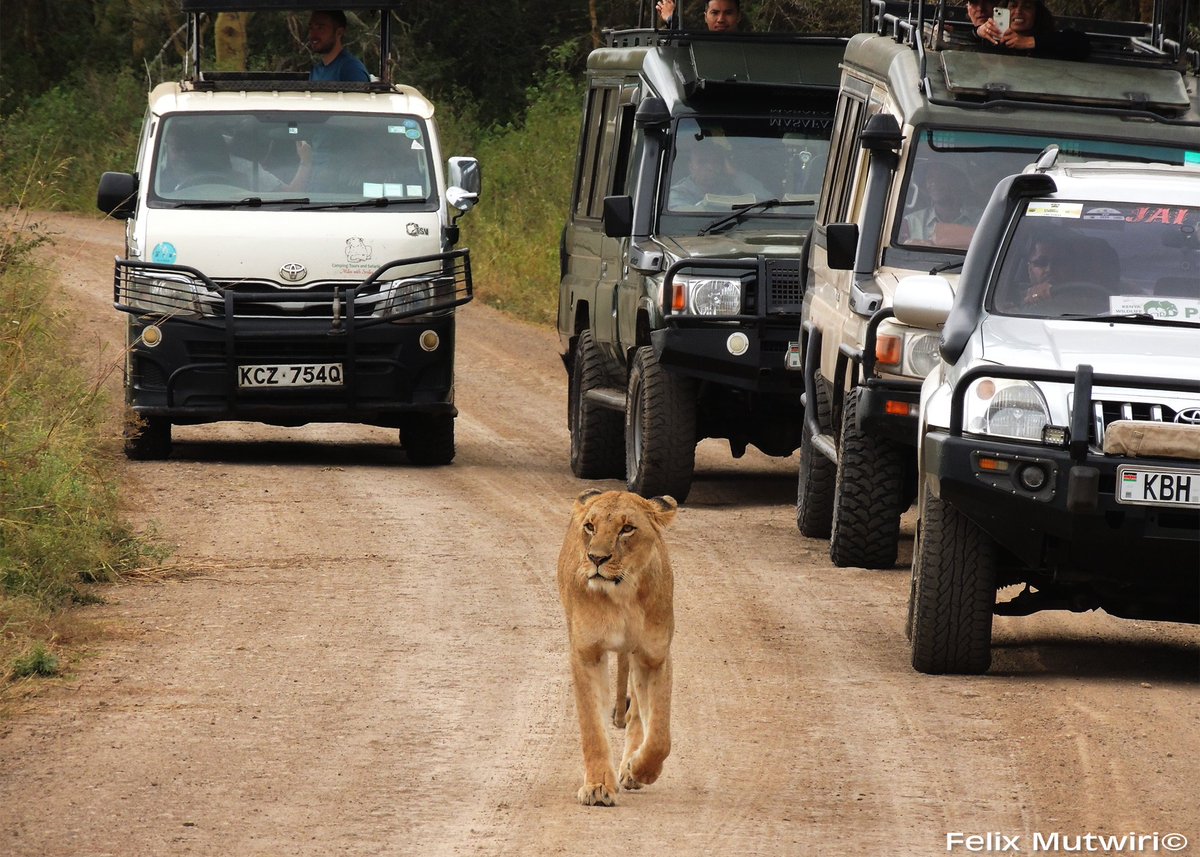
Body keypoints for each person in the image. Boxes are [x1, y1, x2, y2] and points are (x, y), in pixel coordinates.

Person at [974, 0, 1090, 61]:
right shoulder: (992, 37)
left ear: (1037, 14)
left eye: (1027, 6)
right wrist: (979, 31)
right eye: (1013, 5)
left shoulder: (1048, 40)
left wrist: (1029, 42)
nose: (1018, 11)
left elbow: (1081, 43)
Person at [669, 140, 769, 208]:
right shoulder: (677, 194)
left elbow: (768, 204)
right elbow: (682, 222)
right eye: (702, 162)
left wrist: (735, 174)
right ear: (691, 167)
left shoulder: (733, 189)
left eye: (716, 162)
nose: (710, 168)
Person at [899, 165, 979, 248]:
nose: (933, 182)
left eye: (942, 177)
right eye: (930, 177)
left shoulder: (981, 220)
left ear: (958, 182)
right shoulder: (910, 222)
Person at [308, 10, 370, 82]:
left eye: (320, 28)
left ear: (339, 32)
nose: (313, 34)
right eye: (311, 28)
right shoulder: (316, 69)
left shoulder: (352, 70)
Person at [656, 0, 742, 32]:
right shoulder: (698, 44)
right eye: (715, 13)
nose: (720, 19)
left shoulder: (752, 47)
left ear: (738, 17)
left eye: (728, 13)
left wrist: (671, 18)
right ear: (705, 17)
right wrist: (671, 18)